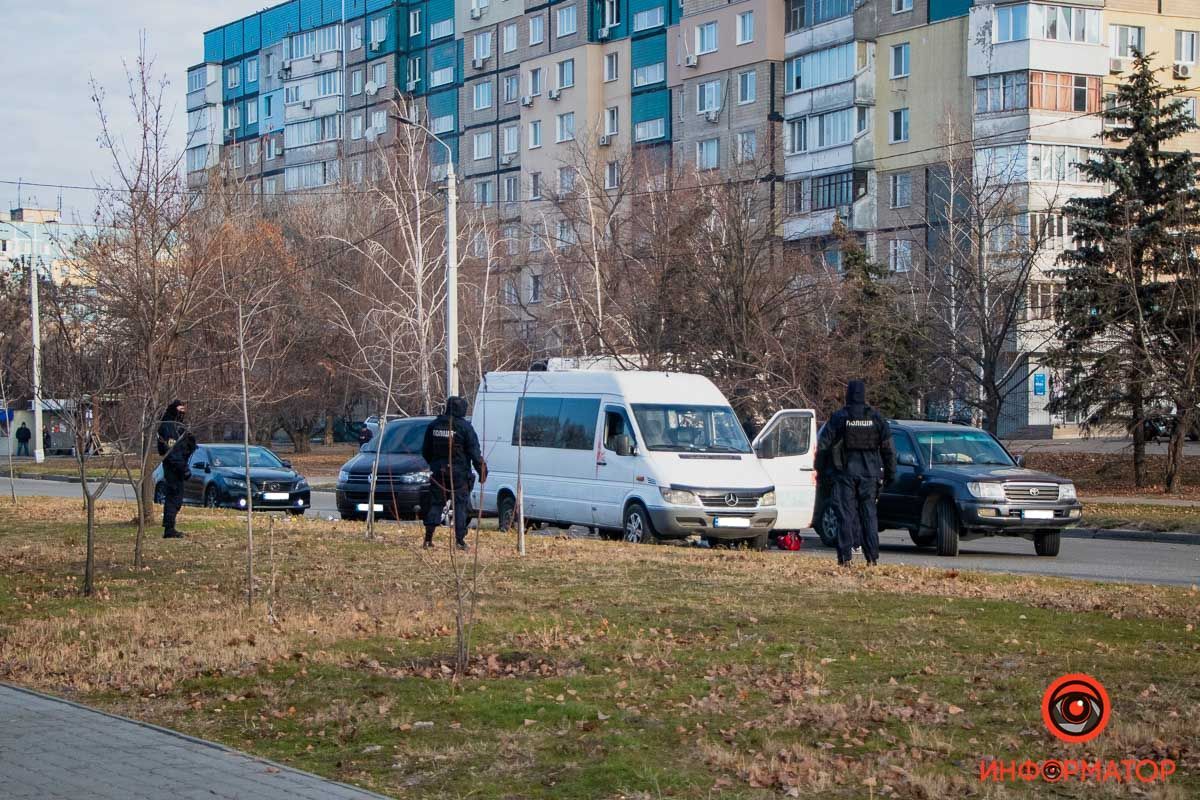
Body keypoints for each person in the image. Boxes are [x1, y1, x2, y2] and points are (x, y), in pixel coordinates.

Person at [816, 380, 896, 567]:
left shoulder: (839, 417)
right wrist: (890, 475)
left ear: (848, 395)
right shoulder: (876, 418)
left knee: (845, 516)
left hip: (845, 475)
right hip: (870, 475)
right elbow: (889, 450)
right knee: (869, 516)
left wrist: (822, 472)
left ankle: (845, 558)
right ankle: (872, 559)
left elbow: (823, 446)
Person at [421, 396, 486, 551]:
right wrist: (482, 471)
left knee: (436, 504)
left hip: (439, 473)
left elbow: (426, 451)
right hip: (459, 474)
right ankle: (460, 541)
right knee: (460, 507)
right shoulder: (465, 427)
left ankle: (428, 538)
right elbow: (474, 452)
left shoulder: (434, 425)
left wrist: (435, 465)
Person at [157, 400, 196, 539]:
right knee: (173, 497)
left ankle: (170, 527)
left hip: (178, 465)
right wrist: (182, 468)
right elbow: (171, 451)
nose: (182, 413)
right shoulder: (168, 427)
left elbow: (184, 447)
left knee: (176, 498)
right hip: (173, 467)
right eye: (180, 410)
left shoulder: (178, 426)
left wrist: (191, 442)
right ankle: (169, 529)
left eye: (184, 410)